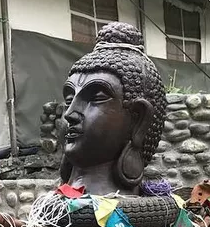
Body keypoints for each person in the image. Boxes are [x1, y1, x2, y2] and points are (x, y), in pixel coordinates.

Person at [60, 21, 167, 196]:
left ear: (138, 120)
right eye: (69, 99)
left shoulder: (147, 216)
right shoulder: (49, 210)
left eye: (96, 98)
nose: (69, 114)